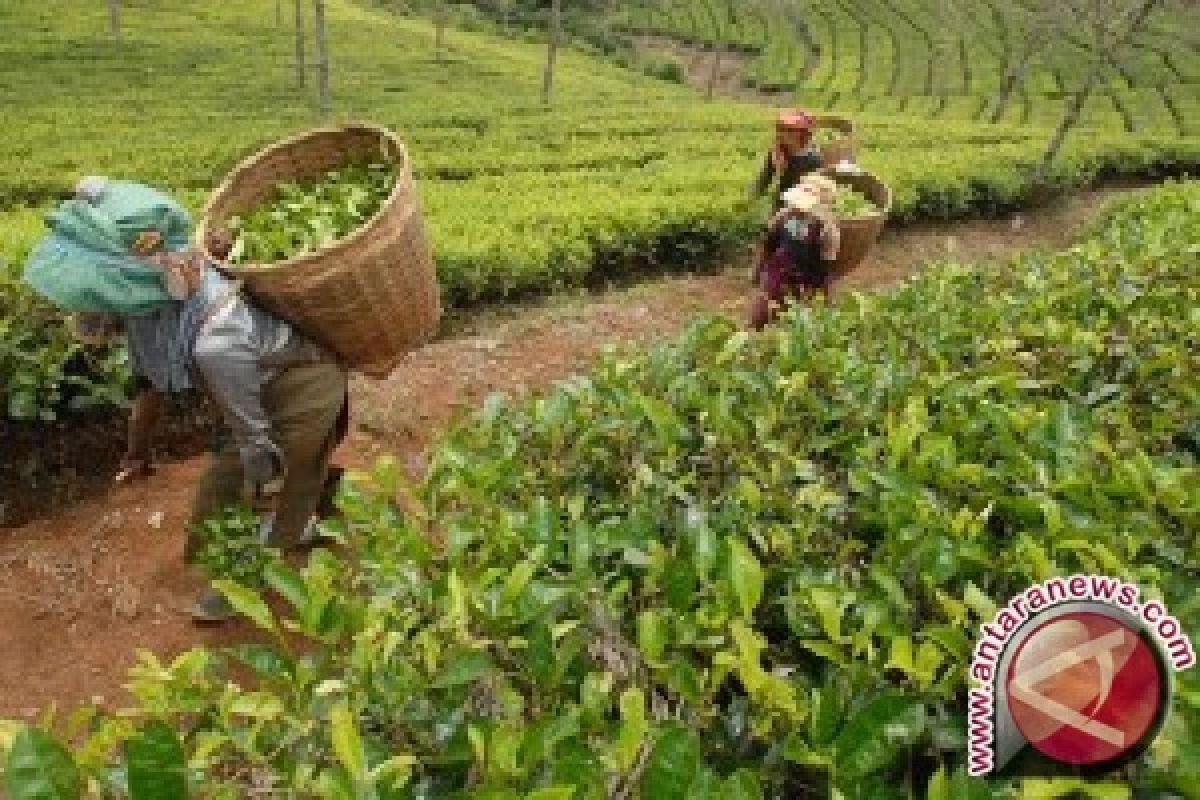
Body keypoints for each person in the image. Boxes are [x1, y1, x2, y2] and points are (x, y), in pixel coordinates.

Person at [69, 179, 349, 622]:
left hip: (306, 385)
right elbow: (150, 385)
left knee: (237, 487)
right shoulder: (156, 316)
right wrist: (136, 454)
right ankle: (312, 515)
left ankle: (243, 582)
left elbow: (254, 440)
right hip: (259, 380)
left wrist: (262, 487)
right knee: (252, 470)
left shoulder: (217, 340)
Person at [748, 177, 841, 331]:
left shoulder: (828, 232)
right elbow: (768, 244)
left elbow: (825, 267)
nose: (796, 207)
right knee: (762, 313)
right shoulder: (784, 216)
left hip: (809, 276)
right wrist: (756, 269)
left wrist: (823, 295)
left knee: (805, 323)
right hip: (781, 269)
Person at [750, 110, 825, 211]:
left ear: (802, 134)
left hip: (805, 209)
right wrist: (750, 200)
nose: (783, 134)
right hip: (781, 207)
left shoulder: (814, 159)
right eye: (781, 129)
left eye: (789, 130)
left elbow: (816, 191)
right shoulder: (778, 153)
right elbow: (764, 180)